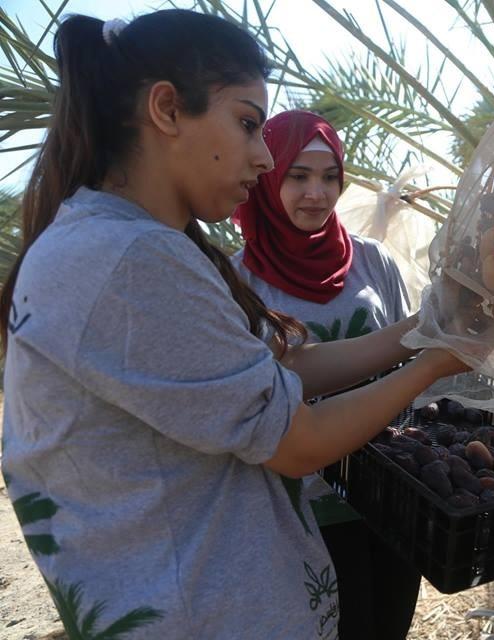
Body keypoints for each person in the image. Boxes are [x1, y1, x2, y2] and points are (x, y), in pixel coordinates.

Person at [0, 10, 468, 639]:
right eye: (248, 123)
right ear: (167, 109)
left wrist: (429, 332)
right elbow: (298, 441)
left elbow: (280, 369)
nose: (264, 156)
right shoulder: (132, 259)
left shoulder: (113, 242)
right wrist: (435, 363)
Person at [231, 109, 421, 640]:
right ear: (267, 177)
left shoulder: (373, 261)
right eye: (298, 176)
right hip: (303, 506)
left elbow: (408, 352)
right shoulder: (238, 281)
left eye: (329, 177)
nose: (316, 193)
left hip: (394, 494)